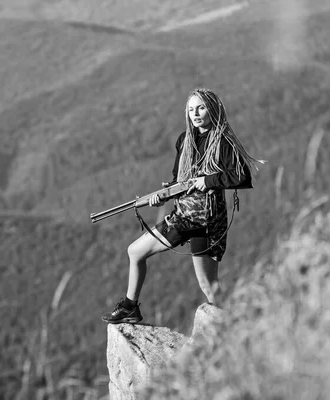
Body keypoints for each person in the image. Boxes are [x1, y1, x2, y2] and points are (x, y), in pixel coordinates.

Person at [101, 87, 263, 324]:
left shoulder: (223, 141)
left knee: (204, 284)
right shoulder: (184, 140)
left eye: (201, 108)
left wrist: (206, 181)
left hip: (206, 220)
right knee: (205, 284)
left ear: (213, 109)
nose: (195, 113)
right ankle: (239, 323)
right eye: (191, 109)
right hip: (185, 215)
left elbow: (242, 176)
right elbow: (180, 180)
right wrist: (162, 196)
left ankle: (131, 307)